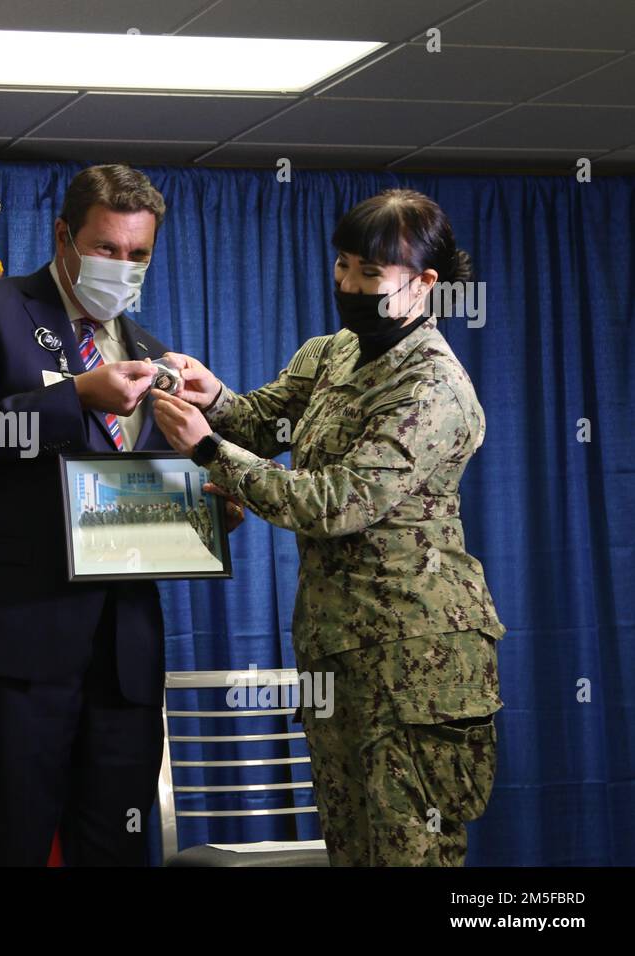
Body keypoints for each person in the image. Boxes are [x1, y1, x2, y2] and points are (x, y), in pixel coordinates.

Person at [152, 188, 504, 866]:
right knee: (349, 847)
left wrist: (206, 449)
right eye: (343, 266)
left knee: (407, 852)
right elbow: (261, 421)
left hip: (415, 664)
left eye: (369, 275)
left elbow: (334, 503)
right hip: (337, 650)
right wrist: (213, 398)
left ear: (423, 284)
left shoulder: (433, 387)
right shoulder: (335, 352)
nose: (348, 285)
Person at [0, 164, 241, 866]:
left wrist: (207, 515)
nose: (121, 267)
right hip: (10, 650)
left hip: (121, 658)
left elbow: (136, 495)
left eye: (138, 254)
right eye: (106, 249)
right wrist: (75, 398)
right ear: (64, 237)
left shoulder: (154, 354)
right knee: (9, 847)